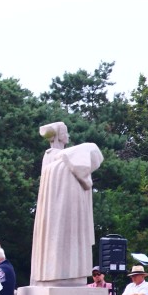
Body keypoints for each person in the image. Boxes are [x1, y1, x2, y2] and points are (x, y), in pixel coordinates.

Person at [30, 121, 104, 285]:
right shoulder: (67, 161)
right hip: (63, 214)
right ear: (58, 135)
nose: (68, 136)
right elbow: (83, 177)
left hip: (53, 215)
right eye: (65, 132)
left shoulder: (52, 158)